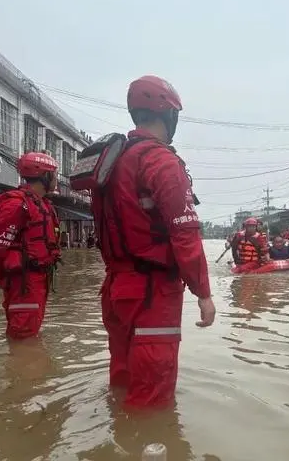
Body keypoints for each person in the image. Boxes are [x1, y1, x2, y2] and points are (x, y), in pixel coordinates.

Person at [80, 75, 215, 408]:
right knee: (152, 398)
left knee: (124, 382)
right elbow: (185, 235)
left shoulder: (113, 163)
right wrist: (204, 294)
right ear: (169, 115)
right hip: (152, 294)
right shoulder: (160, 161)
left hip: (116, 290)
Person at [0, 152, 61, 339]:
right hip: (24, 283)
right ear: (45, 175)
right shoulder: (18, 204)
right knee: (23, 337)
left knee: (30, 332)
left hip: (36, 280)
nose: (57, 180)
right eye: (54, 175)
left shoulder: (42, 204)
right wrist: (0, 276)